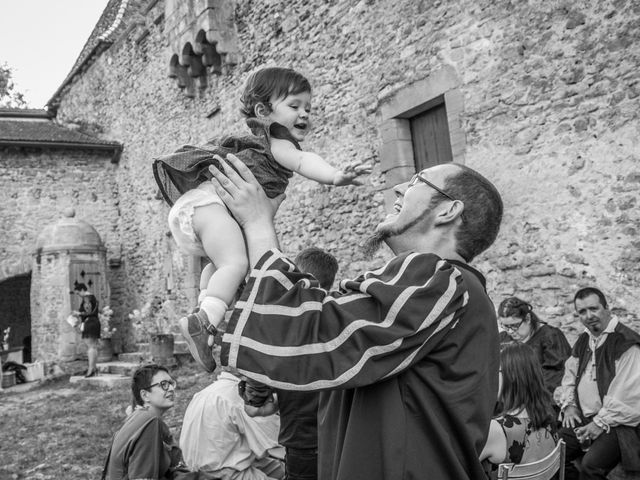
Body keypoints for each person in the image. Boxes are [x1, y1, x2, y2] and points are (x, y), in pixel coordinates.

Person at [208, 155, 504, 480]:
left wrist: (257, 224)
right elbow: (334, 352)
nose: (400, 187)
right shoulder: (457, 293)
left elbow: (310, 331)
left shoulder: (440, 278)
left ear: (448, 211)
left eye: (418, 181)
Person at [153, 66, 370, 373]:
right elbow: (305, 160)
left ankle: (204, 314)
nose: (304, 114)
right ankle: (204, 322)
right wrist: (335, 175)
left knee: (220, 265)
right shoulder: (278, 142)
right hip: (211, 206)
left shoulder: (254, 142)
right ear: (262, 111)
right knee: (236, 265)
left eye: (308, 107)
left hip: (205, 211)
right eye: (294, 106)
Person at [555, 287, 640, 480]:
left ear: (607, 308)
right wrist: (569, 405)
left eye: (594, 308)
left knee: (591, 466)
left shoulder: (626, 342)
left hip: (619, 424)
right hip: (585, 417)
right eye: (582, 312)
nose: (589, 315)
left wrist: (599, 423)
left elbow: (627, 396)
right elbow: (570, 374)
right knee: (553, 453)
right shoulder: (585, 339)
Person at [179, 368, 284, 480]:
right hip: (221, 472)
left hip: (205, 464)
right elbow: (275, 443)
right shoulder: (242, 395)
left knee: (281, 469)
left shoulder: (208, 392)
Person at [480, 343, 557, 477]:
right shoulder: (549, 416)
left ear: (512, 376)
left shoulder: (497, 430)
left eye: (494, 370)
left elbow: (456, 467)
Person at [103, 364, 193, 480]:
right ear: (145, 395)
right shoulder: (149, 422)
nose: (171, 388)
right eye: (163, 385)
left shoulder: (140, 417)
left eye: (171, 383)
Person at [498, 297, 571, 395]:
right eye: (506, 326)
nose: (510, 331)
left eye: (514, 325)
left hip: (539, 400)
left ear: (527, 318)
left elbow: (556, 376)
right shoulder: (502, 338)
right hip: (507, 400)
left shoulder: (550, 336)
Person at [75, 293, 100, 377]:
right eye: (85, 302)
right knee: (93, 346)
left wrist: (79, 314)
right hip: (90, 323)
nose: (87, 305)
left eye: (88, 303)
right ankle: (94, 368)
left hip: (92, 323)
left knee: (91, 347)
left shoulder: (94, 303)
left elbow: (90, 313)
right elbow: (84, 314)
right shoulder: (90, 304)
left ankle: (91, 369)